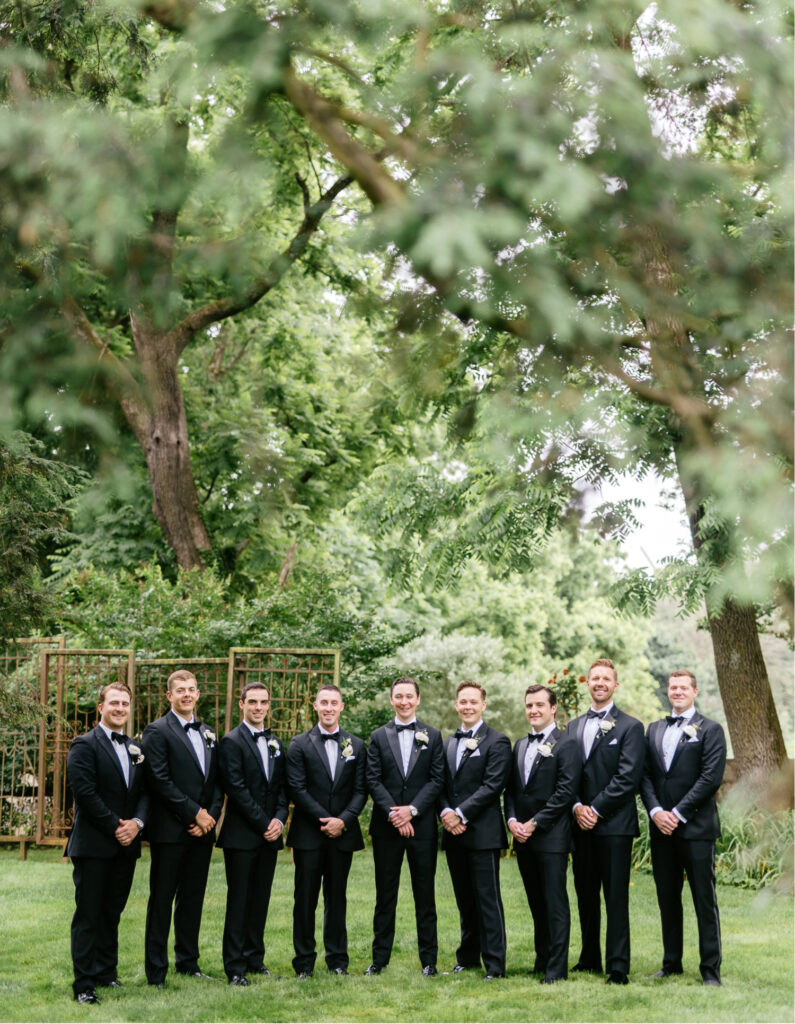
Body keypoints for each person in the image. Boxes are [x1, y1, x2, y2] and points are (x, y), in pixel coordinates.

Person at [640, 669, 726, 986]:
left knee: (704, 900)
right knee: (667, 898)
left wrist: (677, 812)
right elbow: (645, 775)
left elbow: (711, 778)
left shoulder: (711, 729)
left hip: (697, 828)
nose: (677, 691)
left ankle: (710, 970)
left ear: (695, 691)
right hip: (661, 829)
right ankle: (671, 962)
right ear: (668, 691)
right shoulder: (654, 729)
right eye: (673, 687)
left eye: (683, 687)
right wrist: (655, 811)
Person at [65, 682, 149, 1004]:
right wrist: (117, 826)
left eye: (125, 704)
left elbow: (144, 793)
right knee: (89, 915)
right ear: (101, 707)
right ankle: (84, 985)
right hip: (94, 845)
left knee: (112, 912)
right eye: (114, 702)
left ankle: (106, 973)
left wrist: (137, 824)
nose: (120, 708)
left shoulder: (136, 748)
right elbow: (84, 793)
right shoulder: (84, 745)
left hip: (125, 846)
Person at [141, 668, 223, 986]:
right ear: (169, 696)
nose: (187, 694)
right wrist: (194, 814)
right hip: (170, 831)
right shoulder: (156, 730)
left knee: (193, 899)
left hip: (202, 832)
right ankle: (156, 971)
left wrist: (209, 817)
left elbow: (217, 781)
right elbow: (159, 780)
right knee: (162, 901)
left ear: (198, 694)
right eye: (180, 690)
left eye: (191, 689)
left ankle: (188, 962)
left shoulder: (208, 732)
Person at [568, 658, 644, 984]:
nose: (599, 682)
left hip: (614, 825)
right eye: (594, 677)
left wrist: (594, 809)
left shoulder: (630, 727)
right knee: (585, 893)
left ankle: (617, 965)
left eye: (606, 678)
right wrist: (575, 807)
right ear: (588, 682)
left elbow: (628, 778)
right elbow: (565, 776)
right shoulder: (571, 727)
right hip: (578, 824)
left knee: (615, 897)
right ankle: (589, 957)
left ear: (616, 685)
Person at [285, 684, 367, 978]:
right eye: (324, 703)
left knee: (337, 898)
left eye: (334, 702)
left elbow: (360, 790)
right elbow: (297, 788)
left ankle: (338, 960)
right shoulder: (299, 744)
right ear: (315, 706)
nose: (329, 707)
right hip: (309, 835)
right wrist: (326, 820)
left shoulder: (356, 745)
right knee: (304, 899)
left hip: (342, 835)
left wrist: (342, 820)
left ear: (342, 707)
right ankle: (304, 962)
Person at [365, 676, 445, 977]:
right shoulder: (378, 736)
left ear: (418, 699)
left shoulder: (433, 736)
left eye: (409, 696)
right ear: (391, 700)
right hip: (387, 829)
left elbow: (437, 779)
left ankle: (429, 962)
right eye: (398, 696)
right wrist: (394, 814)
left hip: (421, 827)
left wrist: (411, 811)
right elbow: (372, 779)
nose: (404, 701)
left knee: (425, 895)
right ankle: (379, 959)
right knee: (385, 895)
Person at [504, 684, 579, 984]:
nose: (533, 710)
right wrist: (511, 820)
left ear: (553, 709)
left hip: (551, 836)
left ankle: (556, 969)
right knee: (536, 901)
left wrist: (534, 823)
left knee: (555, 902)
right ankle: (541, 958)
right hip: (522, 837)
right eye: (529, 706)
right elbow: (511, 790)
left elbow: (564, 792)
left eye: (539, 705)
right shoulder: (520, 745)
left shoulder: (567, 744)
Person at [217, 681, 289, 985]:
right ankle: (235, 966)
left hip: (270, 834)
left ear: (269, 706)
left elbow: (283, 788)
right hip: (242, 836)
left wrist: (280, 820)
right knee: (239, 900)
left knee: (261, 899)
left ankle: (254, 958)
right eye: (253, 702)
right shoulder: (231, 742)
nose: (258, 707)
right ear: (242, 704)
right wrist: (264, 824)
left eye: (263, 702)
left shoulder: (276, 742)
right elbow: (236, 789)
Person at [440, 681, 512, 981]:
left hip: (482, 833)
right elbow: (440, 782)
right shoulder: (447, 742)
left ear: (483, 704)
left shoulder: (497, 741)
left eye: (473, 701)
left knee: (487, 899)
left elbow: (492, 786)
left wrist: (460, 814)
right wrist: (445, 811)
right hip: (453, 833)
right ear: (456, 705)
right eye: (462, 701)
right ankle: (467, 957)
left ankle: (494, 964)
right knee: (464, 898)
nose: (467, 706)